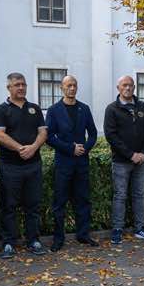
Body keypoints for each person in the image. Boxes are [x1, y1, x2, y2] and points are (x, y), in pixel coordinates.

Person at [0, 73, 48, 259]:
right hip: (10, 166)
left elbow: (43, 132)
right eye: (17, 85)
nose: (21, 87)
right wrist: (20, 148)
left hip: (33, 165)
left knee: (33, 205)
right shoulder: (2, 110)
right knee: (9, 206)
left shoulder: (34, 109)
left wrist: (33, 148)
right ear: (9, 88)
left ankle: (33, 241)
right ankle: (8, 243)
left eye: (23, 84)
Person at [46, 76, 98, 251]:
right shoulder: (54, 110)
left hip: (82, 162)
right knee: (59, 202)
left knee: (83, 200)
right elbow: (49, 137)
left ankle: (83, 235)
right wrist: (70, 148)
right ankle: (58, 239)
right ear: (62, 88)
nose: (72, 88)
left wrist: (85, 148)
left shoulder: (84, 108)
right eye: (68, 85)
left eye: (74, 85)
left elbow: (93, 134)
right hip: (63, 163)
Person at [104, 75, 144, 245]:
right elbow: (111, 136)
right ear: (118, 88)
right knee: (120, 195)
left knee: (140, 195)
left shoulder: (143, 107)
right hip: (121, 161)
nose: (128, 88)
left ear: (134, 88)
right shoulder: (112, 109)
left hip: (141, 161)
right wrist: (130, 154)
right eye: (124, 85)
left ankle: (140, 228)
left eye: (131, 85)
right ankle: (117, 229)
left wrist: (143, 153)